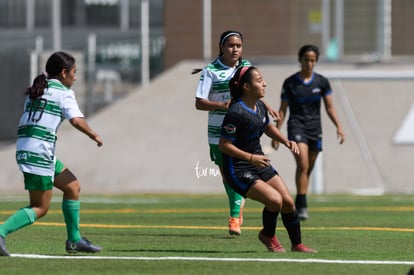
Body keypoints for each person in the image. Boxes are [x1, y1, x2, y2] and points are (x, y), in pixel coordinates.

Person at [0, 51, 103, 256]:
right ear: (64, 73)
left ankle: (74, 240)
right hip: (39, 152)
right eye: (74, 72)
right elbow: (76, 119)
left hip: (29, 149)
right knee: (40, 207)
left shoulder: (39, 89)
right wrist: (93, 134)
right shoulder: (63, 92)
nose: (76, 77)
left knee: (72, 186)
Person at [219, 65, 316, 253]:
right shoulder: (236, 112)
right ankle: (267, 235)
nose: (265, 83)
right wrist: (250, 157)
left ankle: (297, 244)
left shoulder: (260, 106)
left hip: (259, 163)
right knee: (274, 200)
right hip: (238, 169)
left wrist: (285, 141)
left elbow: (267, 126)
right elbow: (224, 145)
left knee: (288, 202)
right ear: (246, 87)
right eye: (259, 80)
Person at [194, 30, 278, 235]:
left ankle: (234, 216)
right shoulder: (211, 70)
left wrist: (266, 106)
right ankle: (237, 210)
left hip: (243, 131)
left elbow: (254, 92)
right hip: (218, 132)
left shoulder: (246, 67)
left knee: (238, 174)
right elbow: (199, 103)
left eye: (238, 46)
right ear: (221, 47)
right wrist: (221, 104)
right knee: (227, 177)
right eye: (231, 45)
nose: (235, 49)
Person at [271, 44, 345, 221]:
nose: (309, 64)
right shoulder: (290, 83)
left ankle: (299, 198)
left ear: (316, 61)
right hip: (296, 127)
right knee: (303, 164)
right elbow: (282, 110)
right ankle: (302, 207)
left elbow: (329, 107)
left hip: (315, 129)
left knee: (307, 168)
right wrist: (276, 132)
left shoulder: (322, 82)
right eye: (306, 60)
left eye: (313, 60)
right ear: (300, 60)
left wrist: (339, 127)